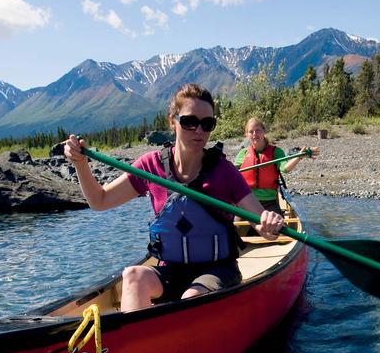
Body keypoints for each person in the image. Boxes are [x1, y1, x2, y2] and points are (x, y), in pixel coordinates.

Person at [64, 83, 284, 312]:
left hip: (217, 270)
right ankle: (136, 343)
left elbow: (262, 226)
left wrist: (268, 223)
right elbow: (100, 201)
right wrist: (80, 165)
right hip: (171, 270)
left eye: (207, 124)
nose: (199, 130)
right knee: (132, 276)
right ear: (173, 121)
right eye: (190, 122)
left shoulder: (224, 170)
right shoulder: (150, 166)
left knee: (191, 297)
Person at [233, 117, 317, 214]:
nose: (255, 134)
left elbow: (285, 168)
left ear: (264, 131)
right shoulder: (243, 154)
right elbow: (233, 176)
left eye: (258, 130)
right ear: (247, 134)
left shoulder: (276, 152)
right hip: (248, 202)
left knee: (278, 227)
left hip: (269, 202)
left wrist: (299, 157)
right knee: (236, 227)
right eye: (251, 132)